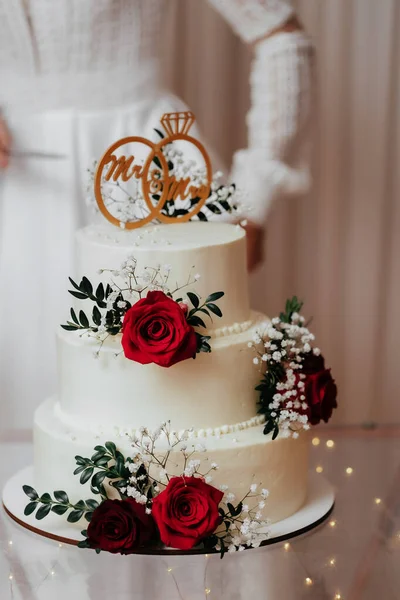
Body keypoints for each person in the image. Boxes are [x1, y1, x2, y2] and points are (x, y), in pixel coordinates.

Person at [0, 0, 314, 429]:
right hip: (15, 186)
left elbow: (282, 35)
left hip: (138, 169)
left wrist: (257, 192)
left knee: (165, 405)